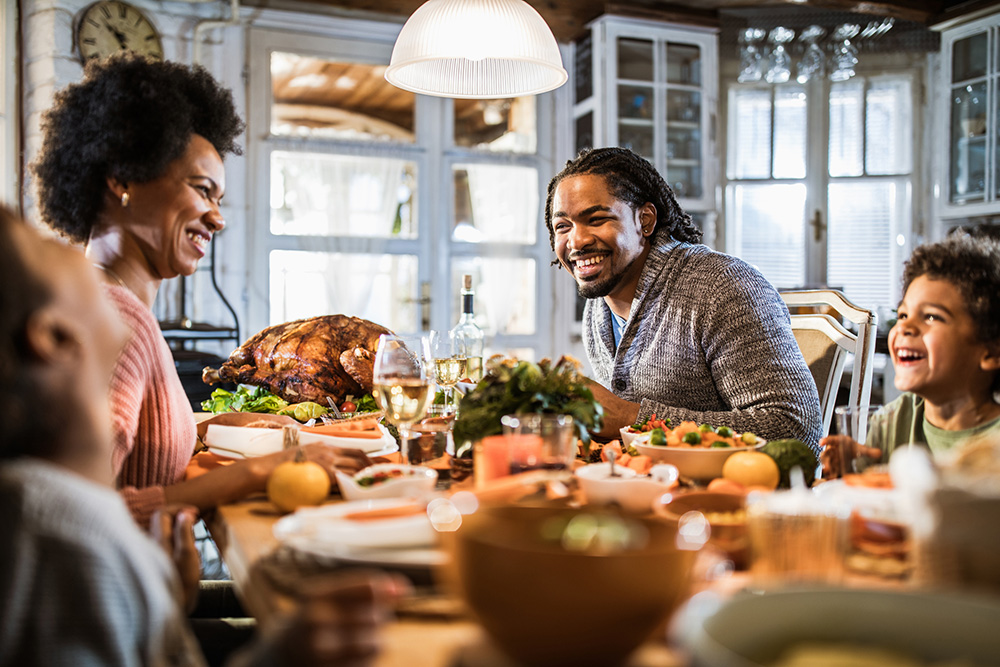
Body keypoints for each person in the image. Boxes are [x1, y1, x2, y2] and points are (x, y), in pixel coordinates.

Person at [0, 204, 407, 667]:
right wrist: (276, 656)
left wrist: (169, 591)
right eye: (45, 248)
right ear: (51, 338)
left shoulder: (45, 510)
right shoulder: (70, 540)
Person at [31, 55, 368, 528]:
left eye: (219, 199)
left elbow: (127, 452)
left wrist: (211, 425)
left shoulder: (107, 305)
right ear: (122, 179)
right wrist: (258, 470)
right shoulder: (116, 321)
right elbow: (70, 519)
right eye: (202, 189)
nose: (218, 217)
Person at [545, 147, 821, 448]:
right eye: (563, 227)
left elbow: (793, 428)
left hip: (736, 492)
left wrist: (632, 419)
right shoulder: (598, 306)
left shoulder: (721, 286)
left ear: (645, 221)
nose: (577, 241)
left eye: (597, 219)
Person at [821, 233, 1000, 476]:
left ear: (990, 352)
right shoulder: (891, 423)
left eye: (932, 317)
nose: (904, 327)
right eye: (903, 315)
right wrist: (851, 469)